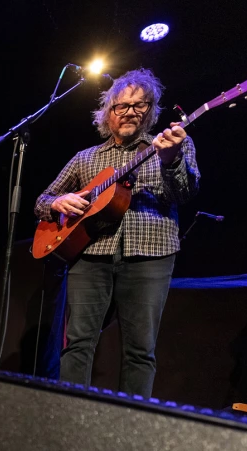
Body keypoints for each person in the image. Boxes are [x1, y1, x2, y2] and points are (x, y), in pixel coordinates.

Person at [34, 68, 200, 397]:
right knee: (78, 343)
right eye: (121, 106)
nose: (130, 112)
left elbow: (185, 192)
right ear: (107, 112)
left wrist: (170, 160)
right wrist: (60, 202)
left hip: (150, 253)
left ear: (151, 111)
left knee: (139, 350)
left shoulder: (170, 144)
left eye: (140, 105)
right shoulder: (85, 158)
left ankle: (126, 428)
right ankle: (67, 419)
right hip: (90, 254)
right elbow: (42, 201)